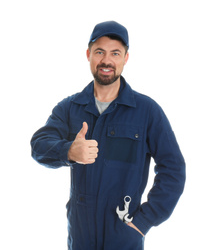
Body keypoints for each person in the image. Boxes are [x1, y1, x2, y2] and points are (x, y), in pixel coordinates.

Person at [31, 21, 186, 250]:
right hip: (80, 237)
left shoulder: (147, 111)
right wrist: (68, 151)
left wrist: (145, 219)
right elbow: (39, 145)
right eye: (99, 52)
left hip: (124, 237)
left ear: (126, 58)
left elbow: (173, 168)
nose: (106, 60)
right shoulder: (70, 107)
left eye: (115, 53)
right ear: (88, 55)